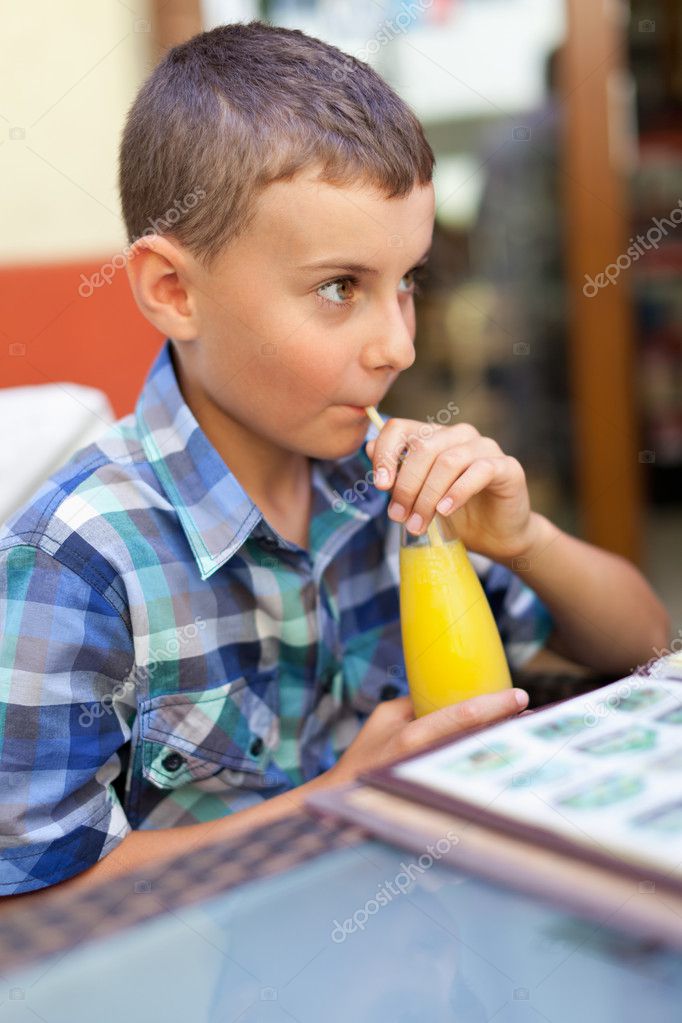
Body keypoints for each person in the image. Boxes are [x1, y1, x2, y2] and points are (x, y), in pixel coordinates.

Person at [0, 21, 669, 902]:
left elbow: (647, 644)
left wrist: (525, 537)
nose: (396, 344)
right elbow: (32, 901)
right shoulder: (79, 559)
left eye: (410, 282)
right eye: (338, 288)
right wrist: (339, 803)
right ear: (172, 290)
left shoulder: (386, 487)